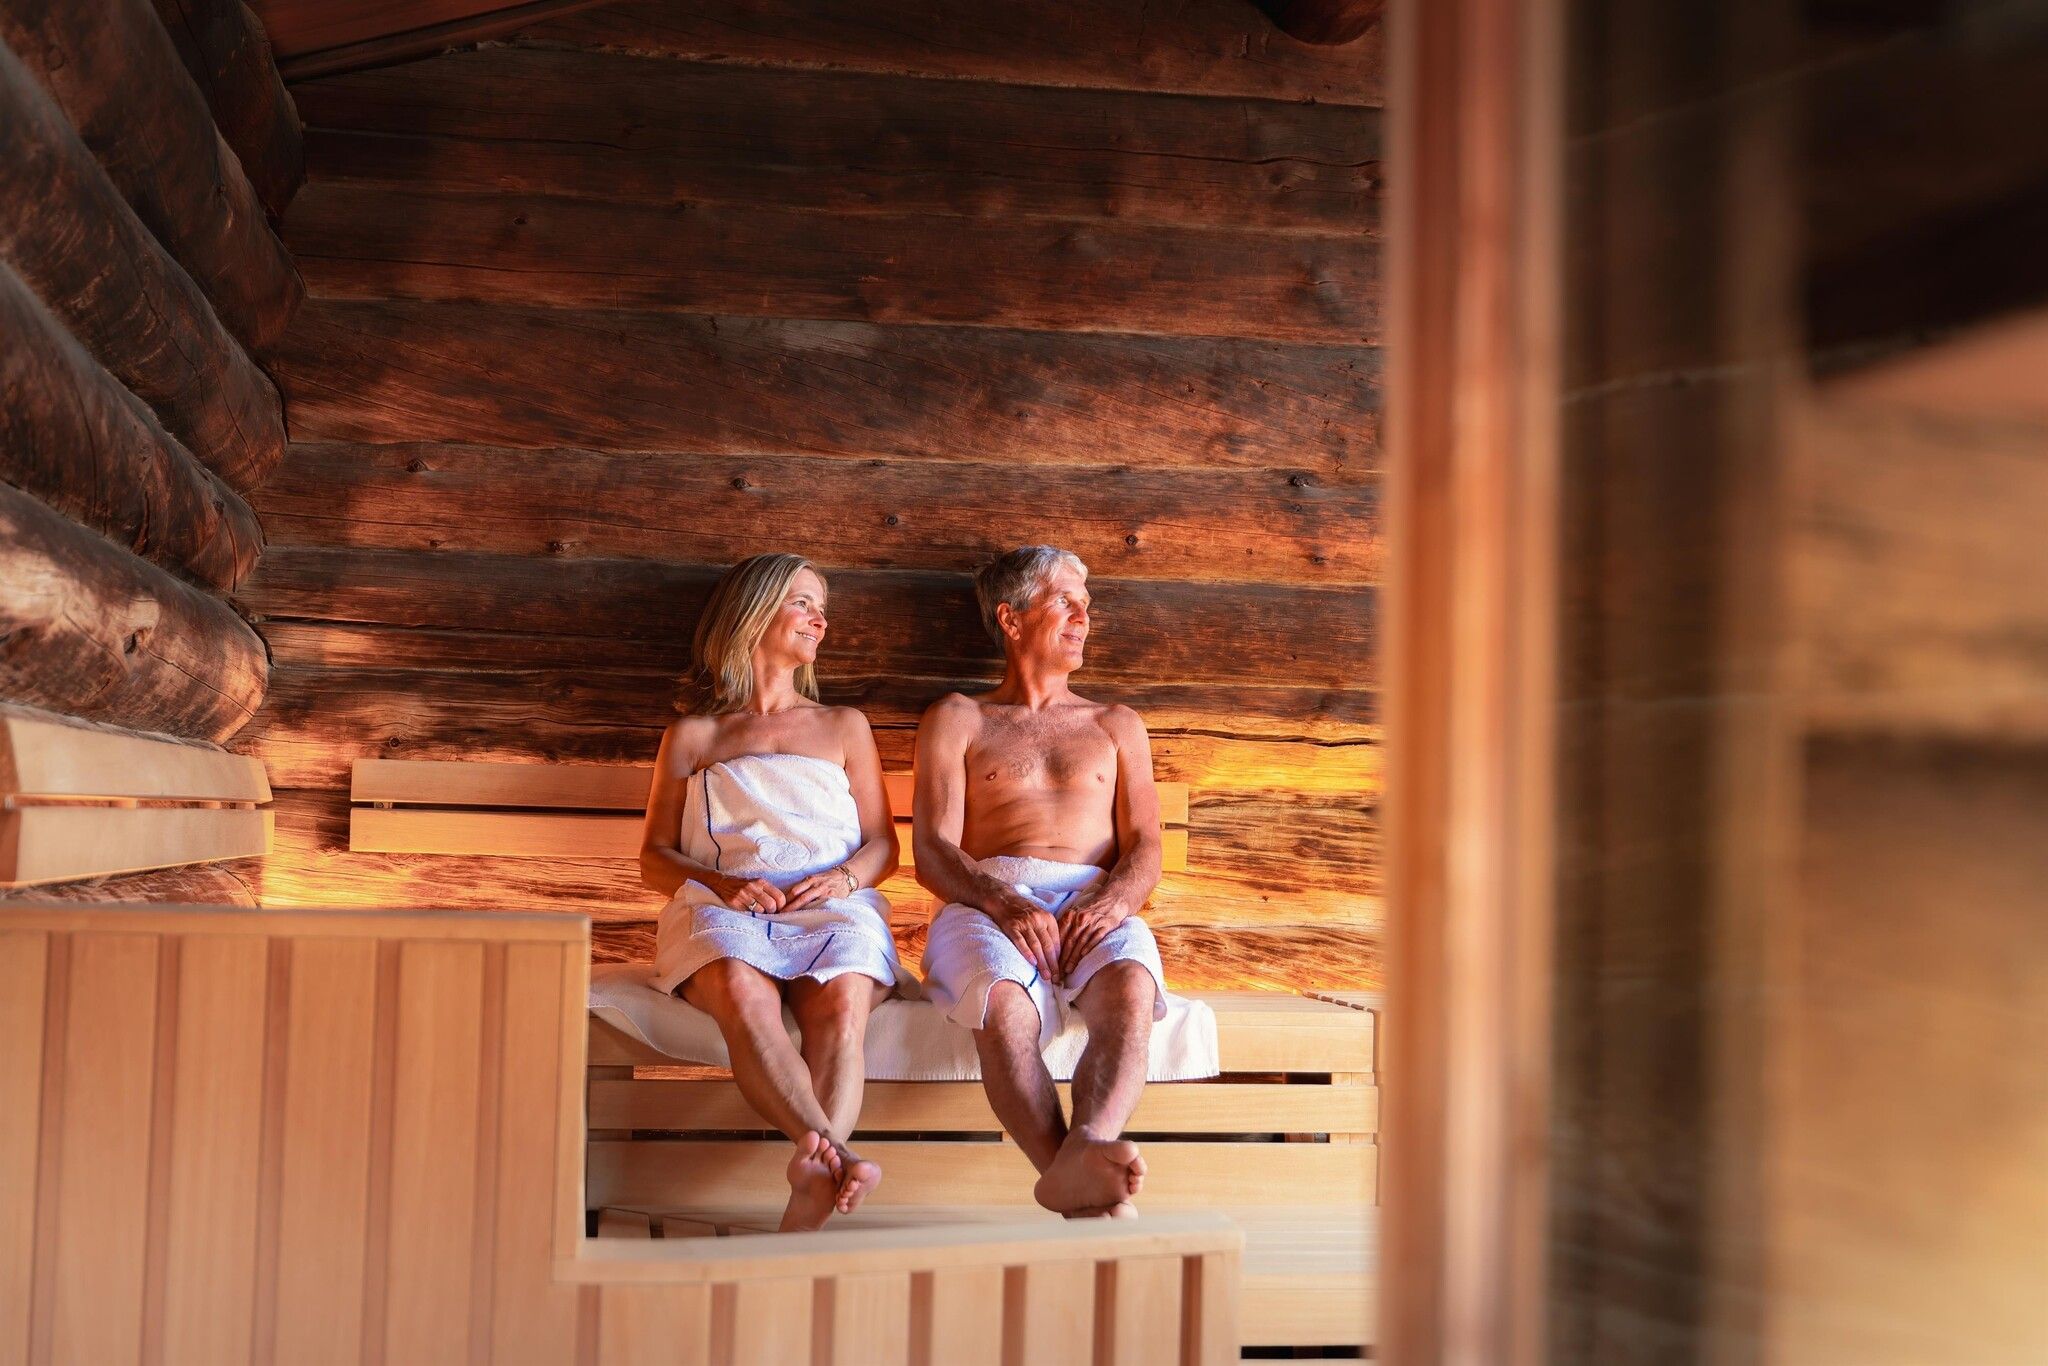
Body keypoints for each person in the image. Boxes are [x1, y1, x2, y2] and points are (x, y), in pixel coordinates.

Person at [640, 553, 905, 1231]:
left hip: (832, 904)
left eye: (822, 608)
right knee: (738, 985)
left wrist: (844, 879)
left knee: (841, 1003)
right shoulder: (694, 735)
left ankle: (816, 1173)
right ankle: (834, 1158)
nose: (819, 620)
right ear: (753, 612)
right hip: (726, 906)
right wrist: (720, 883)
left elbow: (884, 845)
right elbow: (653, 859)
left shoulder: (844, 726)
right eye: (802, 602)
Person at [912, 546, 1168, 1218]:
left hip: (1094, 899)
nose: (1085, 617)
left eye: (1087, 604)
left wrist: (1112, 901)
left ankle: (1084, 1150)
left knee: (1132, 990)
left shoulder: (1116, 725)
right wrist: (1001, 900)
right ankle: (1074, 1178)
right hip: (986, 896)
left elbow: (1146, 846)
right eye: (1066, 601)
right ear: (1012, 618)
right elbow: (932, 850)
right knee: (1001, 1005)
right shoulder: (959, 718)